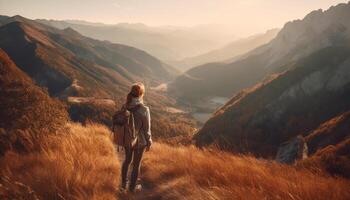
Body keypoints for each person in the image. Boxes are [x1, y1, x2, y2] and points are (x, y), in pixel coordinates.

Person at [121, 82, 152, 192]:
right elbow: (147, 129)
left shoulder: (125, 106)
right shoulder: (144, 109)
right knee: (136, 165)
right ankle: (132, 189)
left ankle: (123, 185)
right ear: (141, 94)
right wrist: (149, 141)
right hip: (140, 141)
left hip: (128, 140)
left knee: (127, 161)